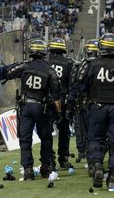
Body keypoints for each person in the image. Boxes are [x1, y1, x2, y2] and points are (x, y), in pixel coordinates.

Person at [78, 33, 114, 190]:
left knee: (96, 139)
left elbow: (82, 87)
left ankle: (97, 165)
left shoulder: (91, 64)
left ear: (101, 46)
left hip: (96, 106)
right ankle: (113, 177)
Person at [0, 39, 61, 180]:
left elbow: (6, 73)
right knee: (46, 138)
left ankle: (27, 170)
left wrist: (3, 67)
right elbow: (56, 94)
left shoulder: (24, 66)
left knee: (25, 140)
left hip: (26, 107)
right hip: (42, 108)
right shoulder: (50, 70)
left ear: (31, 51)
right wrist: (58, 112)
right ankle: (46, 167)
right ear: (44, 53)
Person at [68, 38, 99, 166]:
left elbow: (74, 86)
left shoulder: (79, 66)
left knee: (81, 129)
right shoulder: (102, 64)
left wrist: (70, 105)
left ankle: (83, 151)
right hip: (98, 103)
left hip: (82, 103)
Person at [47, 37, 74, 169]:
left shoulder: (45, 62)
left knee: (47, 131)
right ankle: (63, 158)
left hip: (47, 100)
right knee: (64, 131)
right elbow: (72, 84)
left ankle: (49, 159)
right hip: (63, 100)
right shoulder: (69, 63)